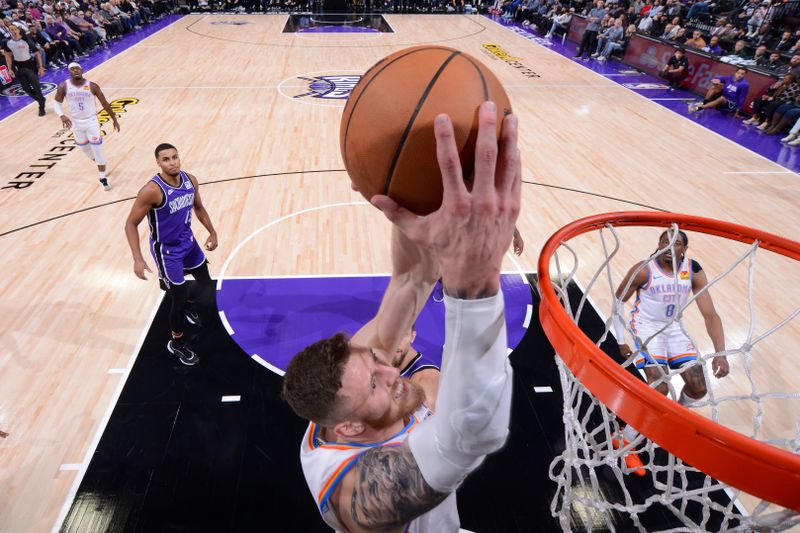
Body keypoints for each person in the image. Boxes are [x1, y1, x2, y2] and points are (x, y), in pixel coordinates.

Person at [281, 101, 519, 532]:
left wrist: (413, 185)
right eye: (375, 383)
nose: (392, 371)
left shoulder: (355, 398)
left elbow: (411, 277)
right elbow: (465, 438)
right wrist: (476, 280)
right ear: (349, 427)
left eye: (376, 363)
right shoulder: (353, 492)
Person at [612, 230, 728, 473]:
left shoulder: (693, 270)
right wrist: (621, 339)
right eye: (664, 241)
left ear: (683, 249)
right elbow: (618, 300)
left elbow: (710, 314)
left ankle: (672, 422)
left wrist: (721, 353)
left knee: (699, 386)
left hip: (674, 328)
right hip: (645, 327)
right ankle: (625, 439)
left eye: (674, 243)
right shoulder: (644, 269)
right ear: (658, 244)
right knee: (660, 387)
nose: (668, 246)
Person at [124, 144, 219, 366]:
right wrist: (137, 258)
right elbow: (130, 223)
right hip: (167, 251)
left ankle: (188, 304)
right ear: (158, 163)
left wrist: (212, 232)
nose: (172, 162)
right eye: (166, 159)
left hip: (189, 242)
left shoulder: (190, 180)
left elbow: (199, 208)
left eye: (175, 157)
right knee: (176, 299)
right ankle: (176, 343)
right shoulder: (152, 191)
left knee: (205, 283)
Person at [53, 62, 119, 190]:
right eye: (72, 69)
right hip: (76, 122)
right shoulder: (64, 86)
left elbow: (105, 103)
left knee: (97, 149)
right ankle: (102, 163)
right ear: (69, 72)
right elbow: (56, 103)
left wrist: (114, 118)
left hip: (91, 121)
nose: (76, 70)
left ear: (82, 70)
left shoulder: (92, 86)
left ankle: (102, 178)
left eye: (77, 68)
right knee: (84, 148)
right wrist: (61, 115)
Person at [2, 23, 46, 116]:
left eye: (15, 29)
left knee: (36, 87)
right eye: (11, 29)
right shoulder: (7, 42)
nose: (13, 31)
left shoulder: (26, 40)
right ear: (9, 31)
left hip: (30, 65)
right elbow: (8, 57)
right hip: (19, 67)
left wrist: (41, 67)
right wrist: (9, 69)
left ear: (18, 30)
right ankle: (41, 99)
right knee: (26, 89)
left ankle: (41, 107)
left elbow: (37, 53)